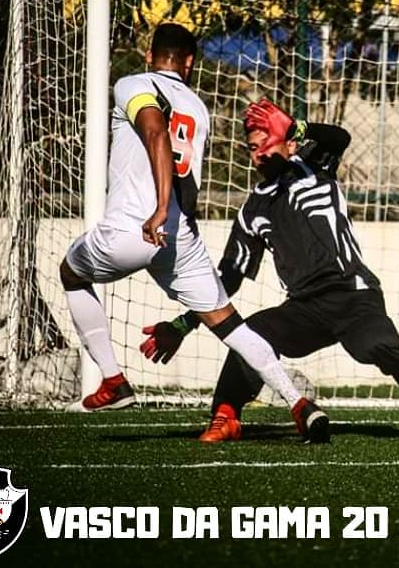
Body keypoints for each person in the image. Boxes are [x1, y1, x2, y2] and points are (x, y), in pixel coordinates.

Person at [139, 97, 399, 443]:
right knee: (250, 334)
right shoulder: (251, 210)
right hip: (305, 308)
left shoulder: (314, 167)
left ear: (289, 143)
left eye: (266, 143)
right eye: (253, 148)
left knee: (377, 348)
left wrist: (296, 126)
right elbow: (227, 279)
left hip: (354, 295)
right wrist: (183, 325)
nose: (259, 154)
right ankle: (226, 415)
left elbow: (339, 138)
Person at [60, 23, 328, 443]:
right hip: (179, 235)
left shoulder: (133, 84)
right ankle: (299, 403)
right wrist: (181, 229)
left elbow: (155, 131)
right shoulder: (198, 109)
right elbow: (190, 180)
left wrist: (159, 208)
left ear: (150, 56)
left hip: (135, 227)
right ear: (189, 63)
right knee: (230, 326)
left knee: (71, 274)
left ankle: (113, 380)